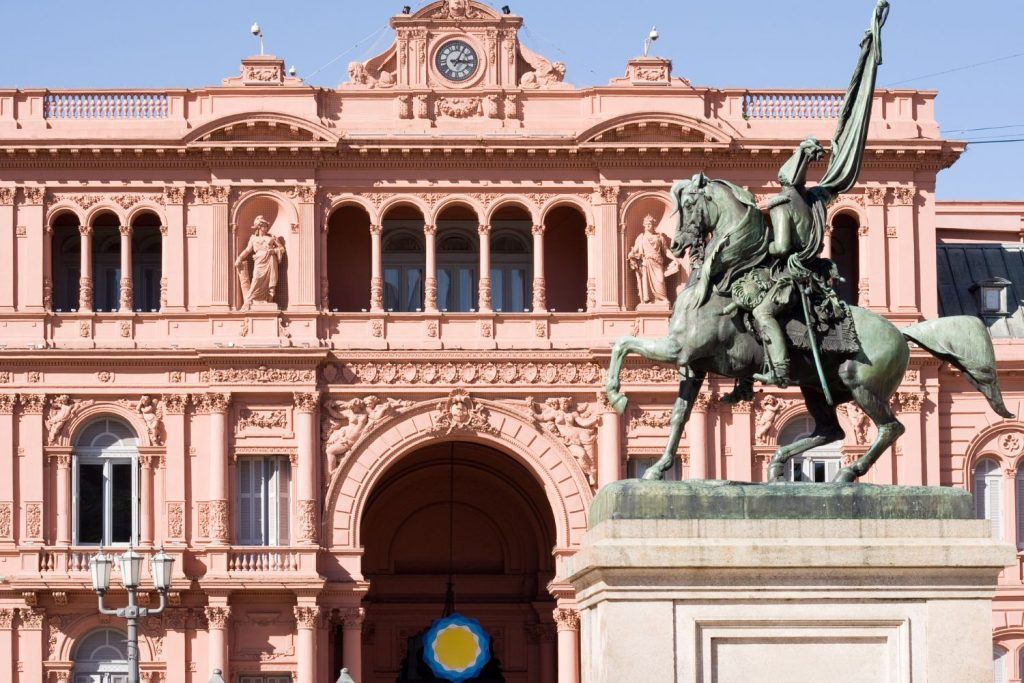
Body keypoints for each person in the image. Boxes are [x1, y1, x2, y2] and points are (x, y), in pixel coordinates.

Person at [235, 216, 285, 309]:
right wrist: (239, 258)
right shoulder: (253, 238)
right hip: (259, 261)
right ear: (259, 227)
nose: (266, 228)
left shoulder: (272, 238)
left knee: (270, 282)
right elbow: (247, 250)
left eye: (266, 226)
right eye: (264, 226)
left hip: (270, 261)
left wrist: (273, 251)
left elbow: (281, 249)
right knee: (256, 279)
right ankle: (250, 299)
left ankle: (267, 300)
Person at [628, 214, 678, 305]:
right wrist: (631, 254)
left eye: (650, 224)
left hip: (657, 262)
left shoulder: (659, 237)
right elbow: (635, 250)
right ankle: (649, 300)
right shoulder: (641, 237)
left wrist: (674, 259)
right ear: (643, 225)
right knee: (646, 282)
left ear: (653, 225)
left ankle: (663, 299)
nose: (648, 225)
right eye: (646, 224)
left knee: (660, 280)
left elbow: (666, 250)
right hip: (646, 263)